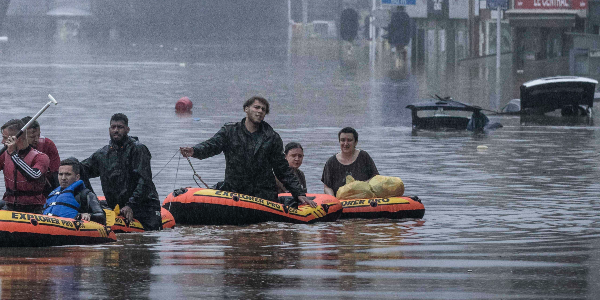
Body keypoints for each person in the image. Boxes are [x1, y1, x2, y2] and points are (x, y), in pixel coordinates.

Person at [180, 96, 314, 208]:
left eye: (263, 109)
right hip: (234, 191)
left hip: (262, 195)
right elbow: (211, 146)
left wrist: (298, 193)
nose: (260, 111)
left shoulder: (272, 138)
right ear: (246, 109)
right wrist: (194, 151)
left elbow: (282, 168)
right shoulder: (230, 131)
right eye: (257, 107)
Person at [81, 113, 163, 230]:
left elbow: (145, 181)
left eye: (120, 127)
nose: (116, 130)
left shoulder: (138, 150)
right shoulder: (102, 154)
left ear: (127, 129)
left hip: (145, 206)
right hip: (117, 207)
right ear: (109, 129)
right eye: (113, 127)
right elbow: (80, 170)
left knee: (150, 236)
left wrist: (131, 205)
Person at [42, 158, 107, 224]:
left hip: (74, 229)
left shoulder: (85, 194)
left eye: (68, 174)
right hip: (49, 227)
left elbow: (102, 217)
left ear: (77, 177)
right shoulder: (52, 194)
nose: (63, 178)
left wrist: (88, 215)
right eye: (60, 174)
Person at [320, 127, 379, 196]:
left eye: (349, 140)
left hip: (364, 199)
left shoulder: (364, 156)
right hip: (340, 201)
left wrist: (360, 186)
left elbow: (375, 177)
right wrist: (333, 200)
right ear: (339, 142)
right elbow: (327, 187)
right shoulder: (331, 162)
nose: (345, 143)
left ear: (355, 142)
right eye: (343, 140)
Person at [22, 115, 60, 188]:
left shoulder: (48, 145)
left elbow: (56, 172)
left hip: (46, 185)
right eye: (32, 137)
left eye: (38, 135)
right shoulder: (13, 149)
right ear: (22, 136)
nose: (36, 140)